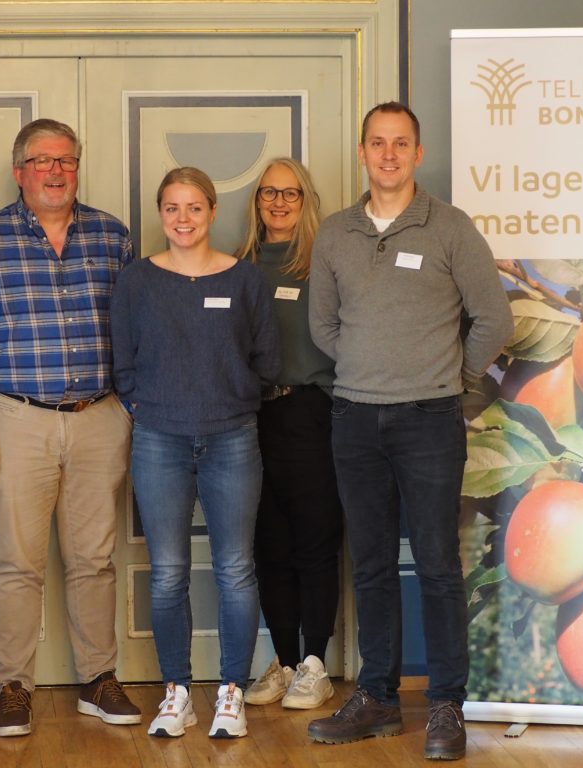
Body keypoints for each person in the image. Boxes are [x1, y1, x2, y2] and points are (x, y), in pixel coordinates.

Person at [306, 102, 513, 760]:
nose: (389, 154)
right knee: (368, 567)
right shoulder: (336, 233)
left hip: (429, 419)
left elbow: (494, 320)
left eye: (401, 144)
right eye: (377, 143)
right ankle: (378, 699)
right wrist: (374, 368)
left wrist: (451, 376)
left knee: (438, 566)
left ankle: (447, 706)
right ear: (362, 152)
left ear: (418, 154)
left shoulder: (449, 228)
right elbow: (323, 328)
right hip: (355, 418)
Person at [0, 118, 139, 737]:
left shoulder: (113, 236)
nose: (56, 172)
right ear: (20, 171)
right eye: (43, 161)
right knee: (18, 564)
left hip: (98, 418)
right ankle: (14, 687)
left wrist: (130, 408)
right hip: (15, 420)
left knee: (94, 561)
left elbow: (140, 330)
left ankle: (98, 680)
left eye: (66, 161)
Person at [111, 167, 281, 740]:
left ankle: (231, 691)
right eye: (172, 208)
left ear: (211, 211)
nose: (183, 219)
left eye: (194, 208)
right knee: (167, 574)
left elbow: (268, 359)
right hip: (159, 438)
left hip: (232, 438)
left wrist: (232, 399)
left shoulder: (246, 281)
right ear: (161, 214)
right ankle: (176, 693)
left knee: (235, 569)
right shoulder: (136, 282)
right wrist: (147, 405)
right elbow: (123, 362)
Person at [235, 159, 342, 711]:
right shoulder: (239, 266)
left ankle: (316, 664)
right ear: (256, 201)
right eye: (268, 193)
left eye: (290, 193)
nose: (278, 202)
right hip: (253, 419)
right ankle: (281, 661)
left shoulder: (324, 263)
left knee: (314, 542)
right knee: (269, 547)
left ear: (307, 200)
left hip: (311, 414)